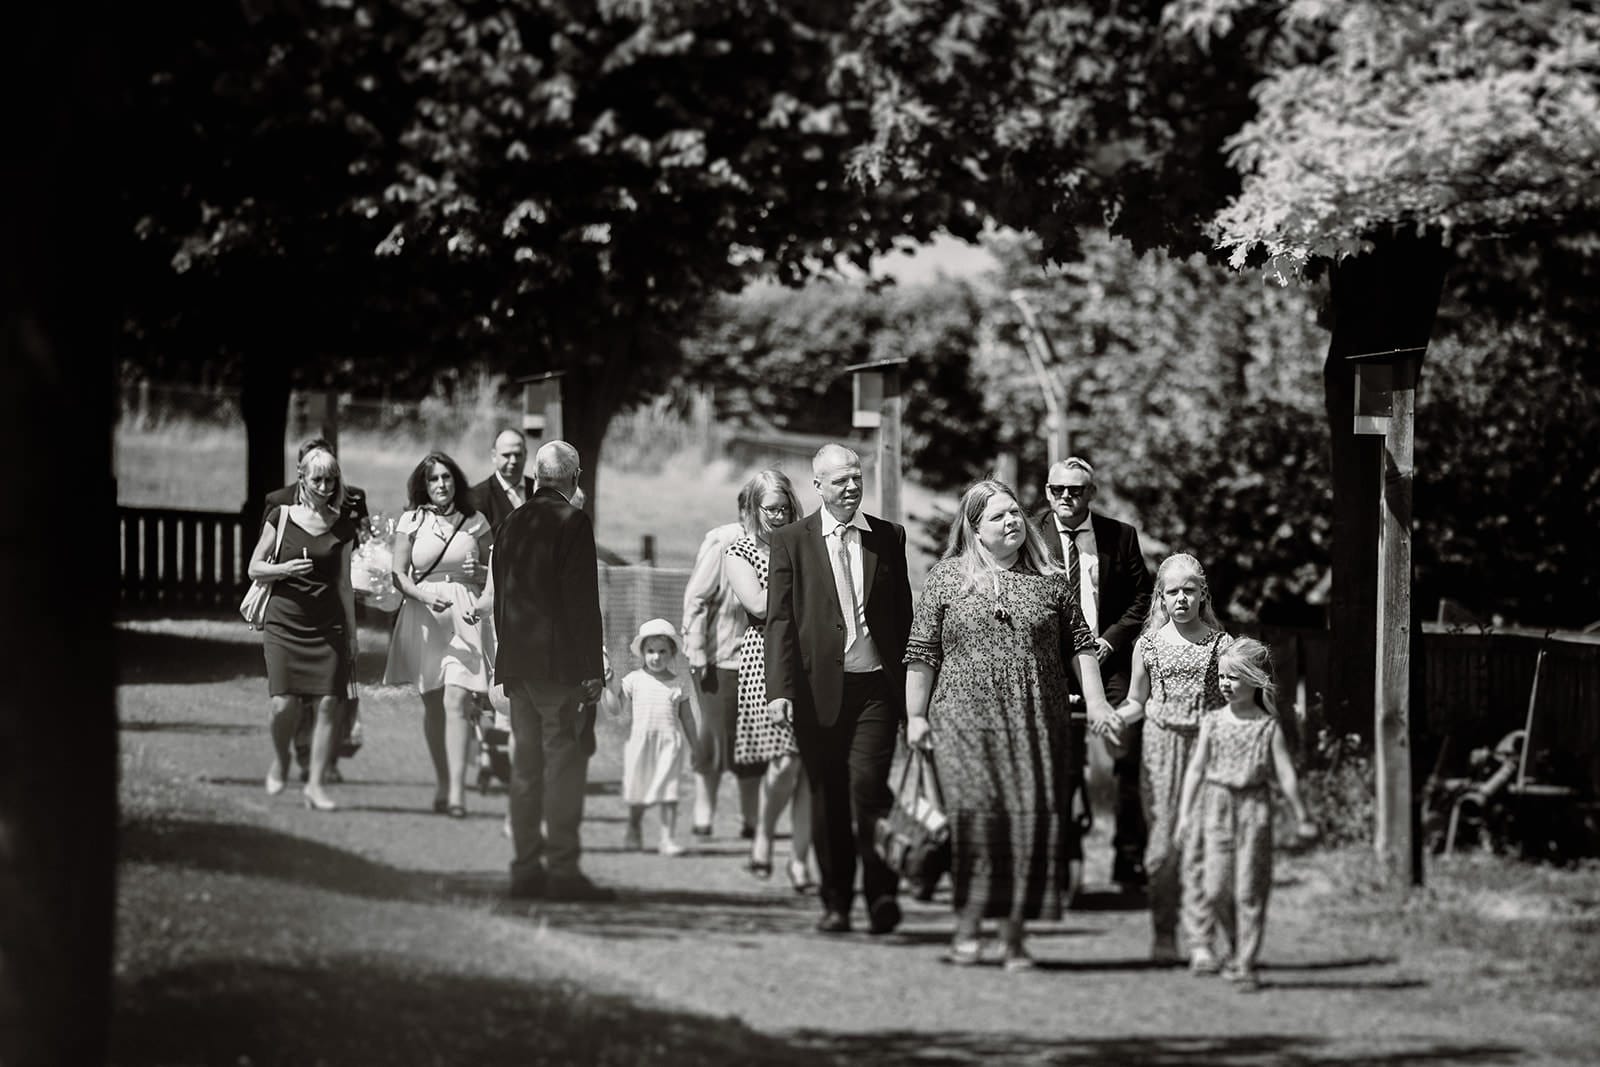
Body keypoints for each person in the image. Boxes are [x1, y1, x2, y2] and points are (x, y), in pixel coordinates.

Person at [904, 479, 1122, 968]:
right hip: (962, 722)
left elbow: (1083, 649)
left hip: (1035, 723)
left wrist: (1098, 704)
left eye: (1016, 514)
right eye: (999, 516)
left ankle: (1013, 937)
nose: (1012, 522)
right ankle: (966, 930)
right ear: (975, 528)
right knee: (978, 825)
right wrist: (915, 718)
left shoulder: (1051, 581)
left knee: (1024, 827)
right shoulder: (947, 578)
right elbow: (921, 655)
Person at [765, 444, 913, 935]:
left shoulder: (888, 538)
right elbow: (781, 621)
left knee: (868, 790)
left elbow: (904, 618)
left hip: (876, 689)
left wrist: (914, 694)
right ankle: (836, 901)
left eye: (856, 477)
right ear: (818, 486)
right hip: (815, 693)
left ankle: (882, 894)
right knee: (829, 796)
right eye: (840, 480)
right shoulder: (792, 541)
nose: (851, 487)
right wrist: (780, 690)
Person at [486, 441, 611, 901]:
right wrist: (592, 668)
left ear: (537, 477)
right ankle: (561, 871)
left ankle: (525, 870)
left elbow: (501, 596)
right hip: (559, 669)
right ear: (574, 477)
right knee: (562, 768)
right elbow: (581, 602)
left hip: (518, 664)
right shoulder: (573, 521)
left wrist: (505, 658)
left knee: (526, 769)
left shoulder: (511, 521)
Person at [1038, 456, 1154, 889]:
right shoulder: (1031, 534)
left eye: (1076, 490)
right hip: (1054, 666)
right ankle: (1064, 861)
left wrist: (1108, 641)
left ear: (1091, 493)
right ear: (1047, 492)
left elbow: (1141, 598)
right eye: (1058, 490)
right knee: (1061, 764)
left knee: (1126, 756)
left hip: (1110, 664)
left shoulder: (1119, 536)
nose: (1066, 497)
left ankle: (1129, 859)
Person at [1176, 637, 1317, 987]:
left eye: (1234, 678)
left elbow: (1284, 772)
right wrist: (1184, 815)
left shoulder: (1267, 726)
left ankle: (1245, 961)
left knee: (1249, 890)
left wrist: (1302, 815)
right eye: (1222, 677)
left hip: (1254, 809)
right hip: (1216, 805)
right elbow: (1196, 768)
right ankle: (1236, 946)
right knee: (1215, 889)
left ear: (1254, 680)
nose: (1225, 684)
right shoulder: (1212, 721)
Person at [1115, 553, 1233, 963]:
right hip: (1160, 750)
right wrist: (1111, 718)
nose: (1181, 599)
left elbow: (1239, 700)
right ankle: (1164, 933)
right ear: (1160, 599)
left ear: (1203, 595)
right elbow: (1135, 701)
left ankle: (1201, 939)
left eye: (1189, 590)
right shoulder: (1146, 645)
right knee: (1164, 845)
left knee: (1202, 843)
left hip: (1207, 748)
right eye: (1172, 592)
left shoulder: (1222, 645)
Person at [382, 452, 494, 818]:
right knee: (433, 704)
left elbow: (493, 574)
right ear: (423, 484)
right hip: (424, 613)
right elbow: (399, 574)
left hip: (464, 613)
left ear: (456, 481)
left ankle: (459, 793)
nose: (441, 485)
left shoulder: (475, 522)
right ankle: (444, 782)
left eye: (446, 478)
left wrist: (478, 572)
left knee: (457, 701)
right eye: (433, 479)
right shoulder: (411, 521)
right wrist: (424, 595)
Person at [248, 446, 359, 812]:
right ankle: (281, 759)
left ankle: (315, 784)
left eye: (331, 480)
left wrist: (353, 635)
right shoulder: (280, 516)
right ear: (302, 479)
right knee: (284, 705)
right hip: (285, 622)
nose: (325, 486)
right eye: (318, 479)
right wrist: (284, 570)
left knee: (329, 704)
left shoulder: (343, 526)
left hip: (328, 626)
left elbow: (344, 584)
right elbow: (254, 567)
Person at [726, 470, 815, 891]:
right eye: (771, 510)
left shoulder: (807, 544)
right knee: (785, 762)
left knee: (808, 766)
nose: (779, 517)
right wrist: (794, 571)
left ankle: (799, 861)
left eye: (785, 509)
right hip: (765, 659)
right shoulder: (739, 550)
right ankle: (763, 834)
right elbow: (760, 605)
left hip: (812, 659)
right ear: (754, 510)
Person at [681, 491, 761, 842]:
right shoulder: (724, 541)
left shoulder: (784, 542)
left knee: (755, 742)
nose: (773, 515)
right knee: (714, 736)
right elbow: (697, 597)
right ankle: (703, 815)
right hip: (719, 657)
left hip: (761, 661)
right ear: (745, 510)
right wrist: (696, 648)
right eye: (762, 507)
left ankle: (751, 819)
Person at [616, 619, 698, 856]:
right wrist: (608, 682)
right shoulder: (633, 680)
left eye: (662, 651)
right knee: (638, 794)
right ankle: (633, 827)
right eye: (651, 651)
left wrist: (696, 746)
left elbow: (688, 719)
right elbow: (615, 706)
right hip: (640, 744)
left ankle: (667, 838)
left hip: (669, 744)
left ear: (672, 653)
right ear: (642, 652)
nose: (656, 657)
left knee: (669, 793)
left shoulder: (678, 683)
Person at [472, 428, 535, 531]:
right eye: (506, 455)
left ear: (526, 455)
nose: (513, 461)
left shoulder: (539, 489)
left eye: (518, 454)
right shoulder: (478, 497)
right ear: (494, 456)